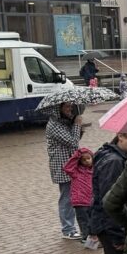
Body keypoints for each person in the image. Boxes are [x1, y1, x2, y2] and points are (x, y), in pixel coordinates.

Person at [46, 102, 84, 240]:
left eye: (70, 106)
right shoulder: (55, 125)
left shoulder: (63, 122)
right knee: (67, 197)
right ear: (58, 109)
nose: (70, 109)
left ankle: (73, 227)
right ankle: (68, 229)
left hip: (71, 164)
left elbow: (75, 139)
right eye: (66, 107)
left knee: (73, 196)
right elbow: (73, 142)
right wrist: (77, 124)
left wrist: (76, 124)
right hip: (62, 166)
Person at [63, 147, 96, 246]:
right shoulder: (76, 172)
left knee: (93, 220)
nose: (86, 161)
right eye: (84, 160)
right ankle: (86, 238)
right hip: (80, 201)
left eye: (88, 158)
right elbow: (67, 167)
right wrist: (76, 155)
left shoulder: (95, 170)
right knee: (84, 221)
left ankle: (93, 239)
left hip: (91, 200)